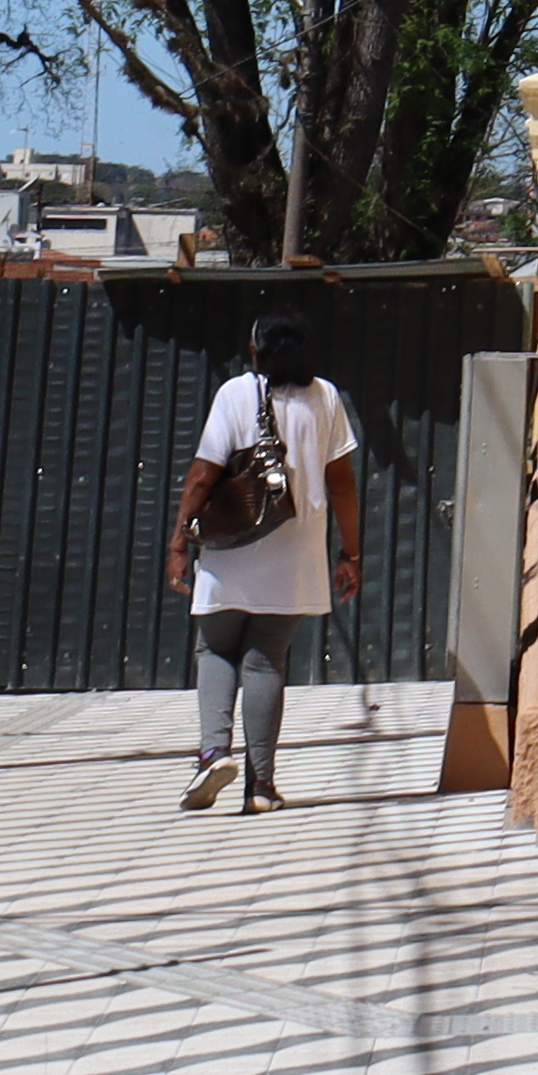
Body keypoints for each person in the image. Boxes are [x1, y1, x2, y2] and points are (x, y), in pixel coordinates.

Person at [165, 306, 357, 814]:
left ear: (256, 350)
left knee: (216, 650)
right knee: (265, 660)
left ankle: (213, 754)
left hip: (233, 548)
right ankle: (261, 787)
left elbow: (204, 475)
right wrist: (350, 553)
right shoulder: (326, 398)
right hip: (296, 553)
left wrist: (180, 540)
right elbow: (342, 484)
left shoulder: (237, 394)